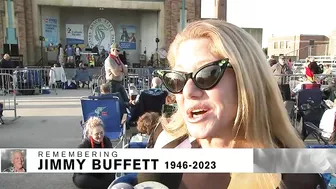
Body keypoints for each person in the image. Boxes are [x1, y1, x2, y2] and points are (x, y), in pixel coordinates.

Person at [137, 20, 323, 189]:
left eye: (207, 74)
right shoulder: (164, 164)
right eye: (177, 79)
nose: (188, 92)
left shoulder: (297, 177)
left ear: (247, 80)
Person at [73, 117, 115, 189]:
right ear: (90, 134)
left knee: (111, 176)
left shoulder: (106, 141)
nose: (100, 136)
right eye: (96, 134)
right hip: (87, 173)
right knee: (83, 180)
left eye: (101, 133)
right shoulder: (83, 146)